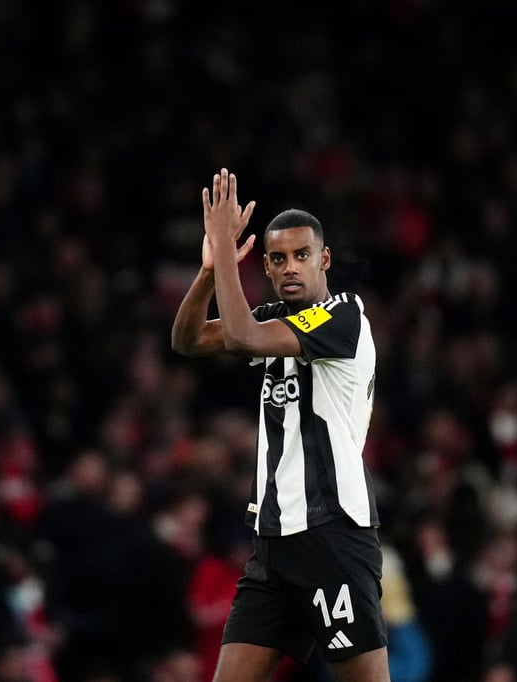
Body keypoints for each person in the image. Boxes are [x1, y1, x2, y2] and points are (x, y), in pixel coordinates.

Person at [171, 168, 390, 681]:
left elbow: (243, 337)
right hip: (272, 544)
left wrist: (227, 255)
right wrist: (209, 270)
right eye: (277, 258)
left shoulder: (344, 317)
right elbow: (187, 340)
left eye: (301, 255)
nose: (290, 267)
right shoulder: (277, 319)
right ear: (266, 267)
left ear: (324, 259)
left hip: (332, 534)